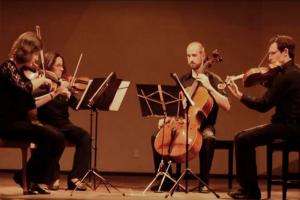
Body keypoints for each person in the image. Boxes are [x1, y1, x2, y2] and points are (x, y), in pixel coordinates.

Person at [227, 35, 300, 199]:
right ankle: (248, 189)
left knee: (242, 138)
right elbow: (277, 91)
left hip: (288, 127)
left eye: (273, 53)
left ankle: (251, 191)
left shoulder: (286, 76)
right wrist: (265, 80)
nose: (269, 58)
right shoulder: (294, 72)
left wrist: (239, 95)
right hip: (292, 126)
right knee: (243, 137)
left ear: (285, 52)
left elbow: (263, 105)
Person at [151, 41, 230, 192]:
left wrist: (208, 87)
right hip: (182, 122)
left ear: (203, 55)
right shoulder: (182, 80)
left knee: (208, 138)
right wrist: (167, 118)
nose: (191, 59)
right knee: (157, 135)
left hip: (204, 124)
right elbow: (176, 107)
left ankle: (204, 182)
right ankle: (166, 180)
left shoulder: (213, 79)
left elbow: (227, 105)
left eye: (194, 55)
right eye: (188, 56)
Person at [0, 32, 65, 194]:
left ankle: (31, 177)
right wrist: (42, 80)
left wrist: (52, 95)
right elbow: (25, 87)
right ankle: (29, 177)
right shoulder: (7, 68)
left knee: (56, 137)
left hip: (19, 123)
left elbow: (31, 106)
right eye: (35, 54)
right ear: (27, 51)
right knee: (53, 137)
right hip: (5, 124)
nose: (36, 58)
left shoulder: (21, 73)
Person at [34, 51, 91, 191]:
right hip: (47, 123)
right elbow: (34, 100)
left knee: (84, 136)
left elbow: (77, 106)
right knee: (55, 137)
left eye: (62, 65)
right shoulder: (43, 83)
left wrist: (85, 95)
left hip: (64, 125)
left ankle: (75, 177)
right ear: (48, 66)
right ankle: (51, 175)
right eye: (58, 65)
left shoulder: (64, 86)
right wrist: (56, 91)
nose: (62, 68)